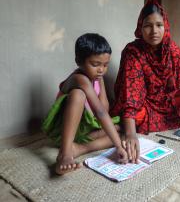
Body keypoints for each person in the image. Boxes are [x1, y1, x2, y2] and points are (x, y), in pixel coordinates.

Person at [111, 1, 180, 163]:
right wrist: (131, 134)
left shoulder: (172, 49)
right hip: (144, 104)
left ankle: (125, 127)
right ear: (140, 28)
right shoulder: (132, 52)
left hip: (167, 101)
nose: (154, 31)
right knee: (132, 118)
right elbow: (130, 95)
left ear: (165, 26)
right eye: (148, 25)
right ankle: (125, 128)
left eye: (159, 25)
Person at [42, 33, 128, 175]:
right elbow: (100, 112)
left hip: (83, 129)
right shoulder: (79, 79)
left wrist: (100, 81)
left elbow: (104, 108)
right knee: (78, 94)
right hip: (65, 132)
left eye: (105, 65)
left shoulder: (97, 76)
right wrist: (118, 146)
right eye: (95, 64)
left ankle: (79, 149)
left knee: (121, 131)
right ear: (79, 61)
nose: (101, 69)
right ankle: (64, 153)